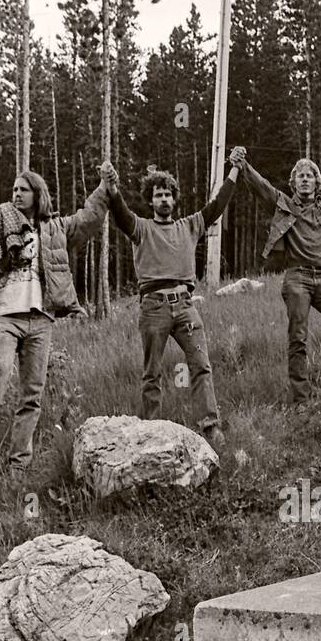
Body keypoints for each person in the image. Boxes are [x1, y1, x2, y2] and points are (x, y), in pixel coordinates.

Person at [0, 165, 114, 479]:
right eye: (14, 189)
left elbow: (89, 218)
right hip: (4, 316)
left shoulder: (55, 228)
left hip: (41, 319)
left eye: (23, 189)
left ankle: (18, 467)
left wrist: (104, 188)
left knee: (32, 394)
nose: (15, 194)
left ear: (38, 194)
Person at [105, 157, 240, 450]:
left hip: (186, 306)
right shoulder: (141, 228)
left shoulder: (189, 225)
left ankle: (210, 426)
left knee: (201, 364)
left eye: (168, 194)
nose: (164, 199)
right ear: (151, 201)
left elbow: (217, 205)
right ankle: (151, 431)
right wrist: (113, 188)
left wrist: (235, 170)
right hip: (153, 307)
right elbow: (121, 214)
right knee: (152, 372)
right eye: (158, 195)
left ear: (174, 199)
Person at [231, 136, 321, 406]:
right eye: (300, 176)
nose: (305, 180)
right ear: (293, 183)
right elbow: (261, 187)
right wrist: (243, 164)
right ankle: (301, 401)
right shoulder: (284, 203)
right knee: (298, 338)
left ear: (317, 182)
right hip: (298, 279)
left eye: (310, 176)